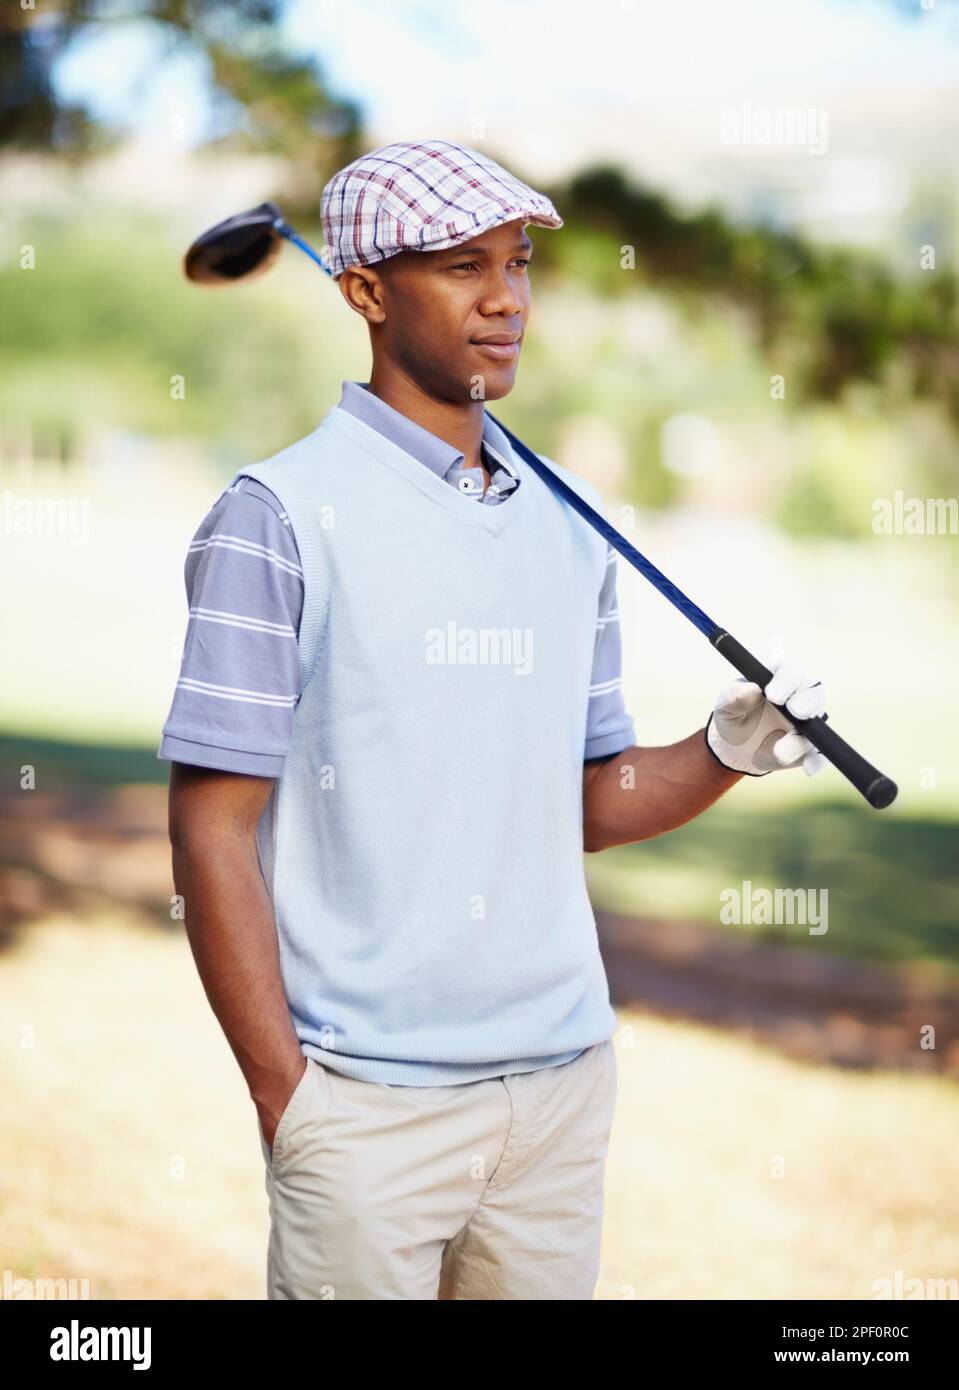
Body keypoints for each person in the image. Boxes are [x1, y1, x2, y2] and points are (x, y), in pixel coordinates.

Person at [159, 138, 827, 1301]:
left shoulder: (572, 527)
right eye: (461, 266)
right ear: (363, 291)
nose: (504, 299)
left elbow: (585, 802)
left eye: (517, 264)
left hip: (559, 1094)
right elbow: (213, 832)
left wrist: (721, 751)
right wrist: (288, 1100)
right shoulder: (276, 518)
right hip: (365, 1109)